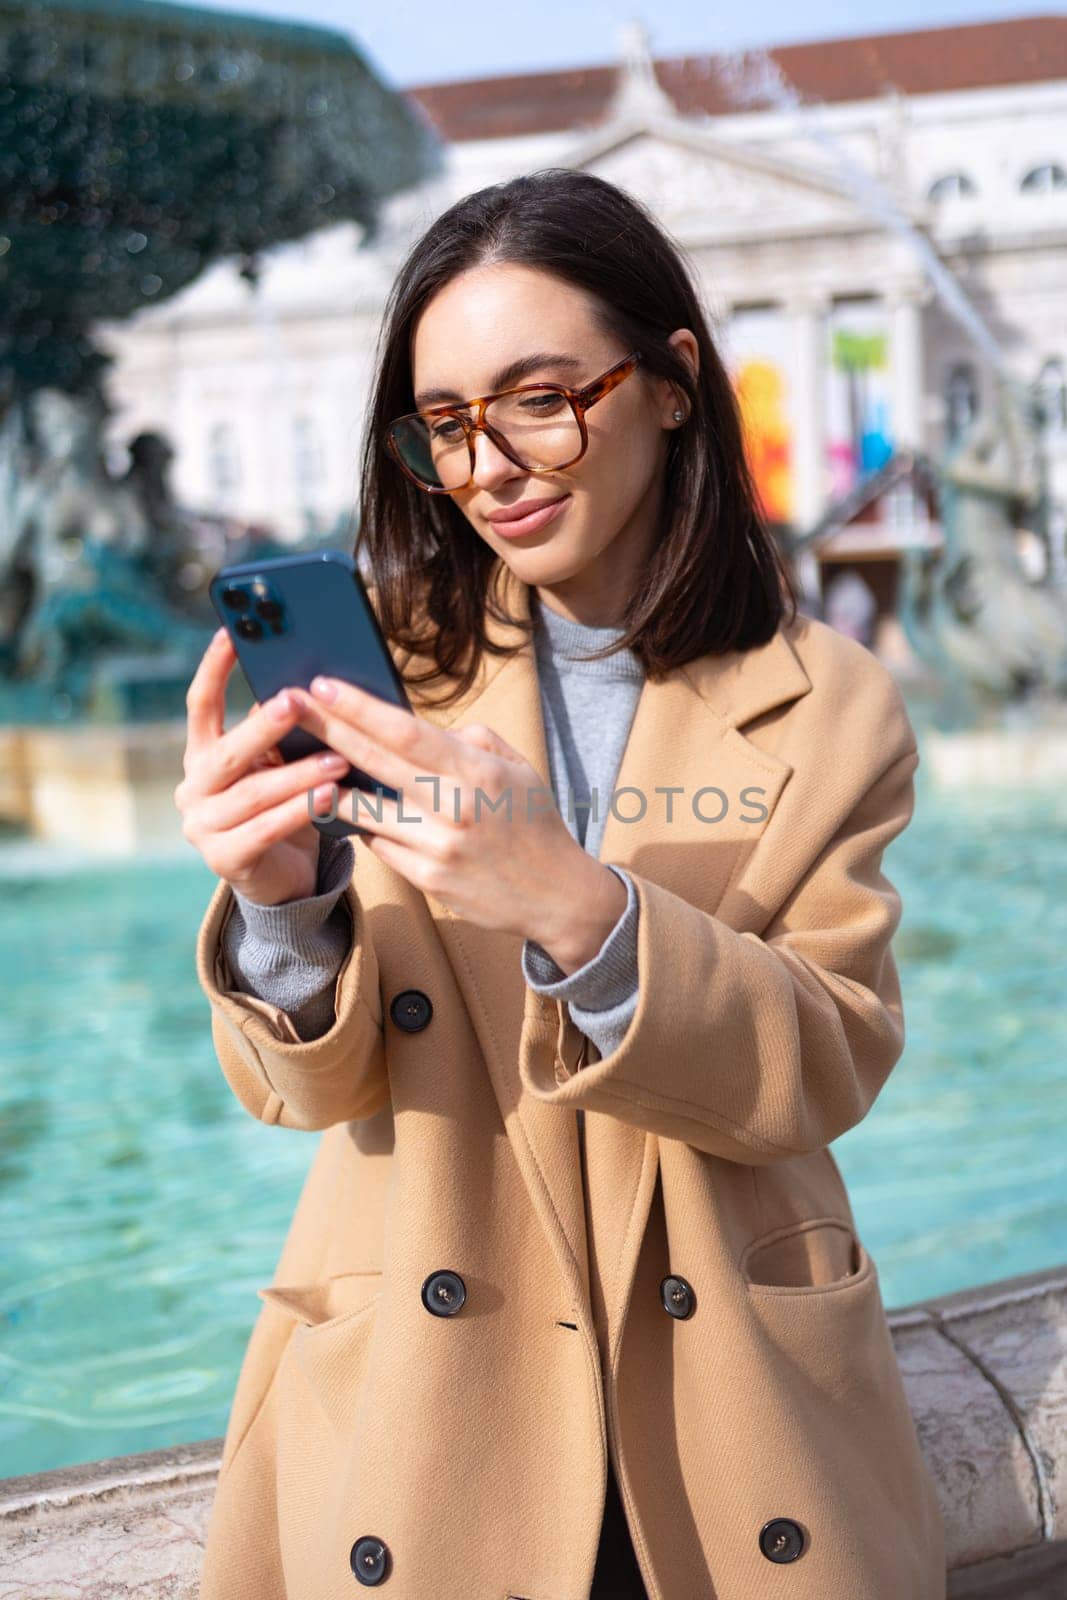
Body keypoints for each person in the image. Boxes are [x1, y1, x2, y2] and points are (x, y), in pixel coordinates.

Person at [176, 169, 946, 1599]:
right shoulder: (381, 672)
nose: (488, 469)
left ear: (668, 384)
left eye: (540, 398)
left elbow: (828, 1060)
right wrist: (283, 908)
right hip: (429, 1411)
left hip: (724, 1401)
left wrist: (579, 913)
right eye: (450, 424)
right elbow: (298, 1094)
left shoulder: (830, 703)